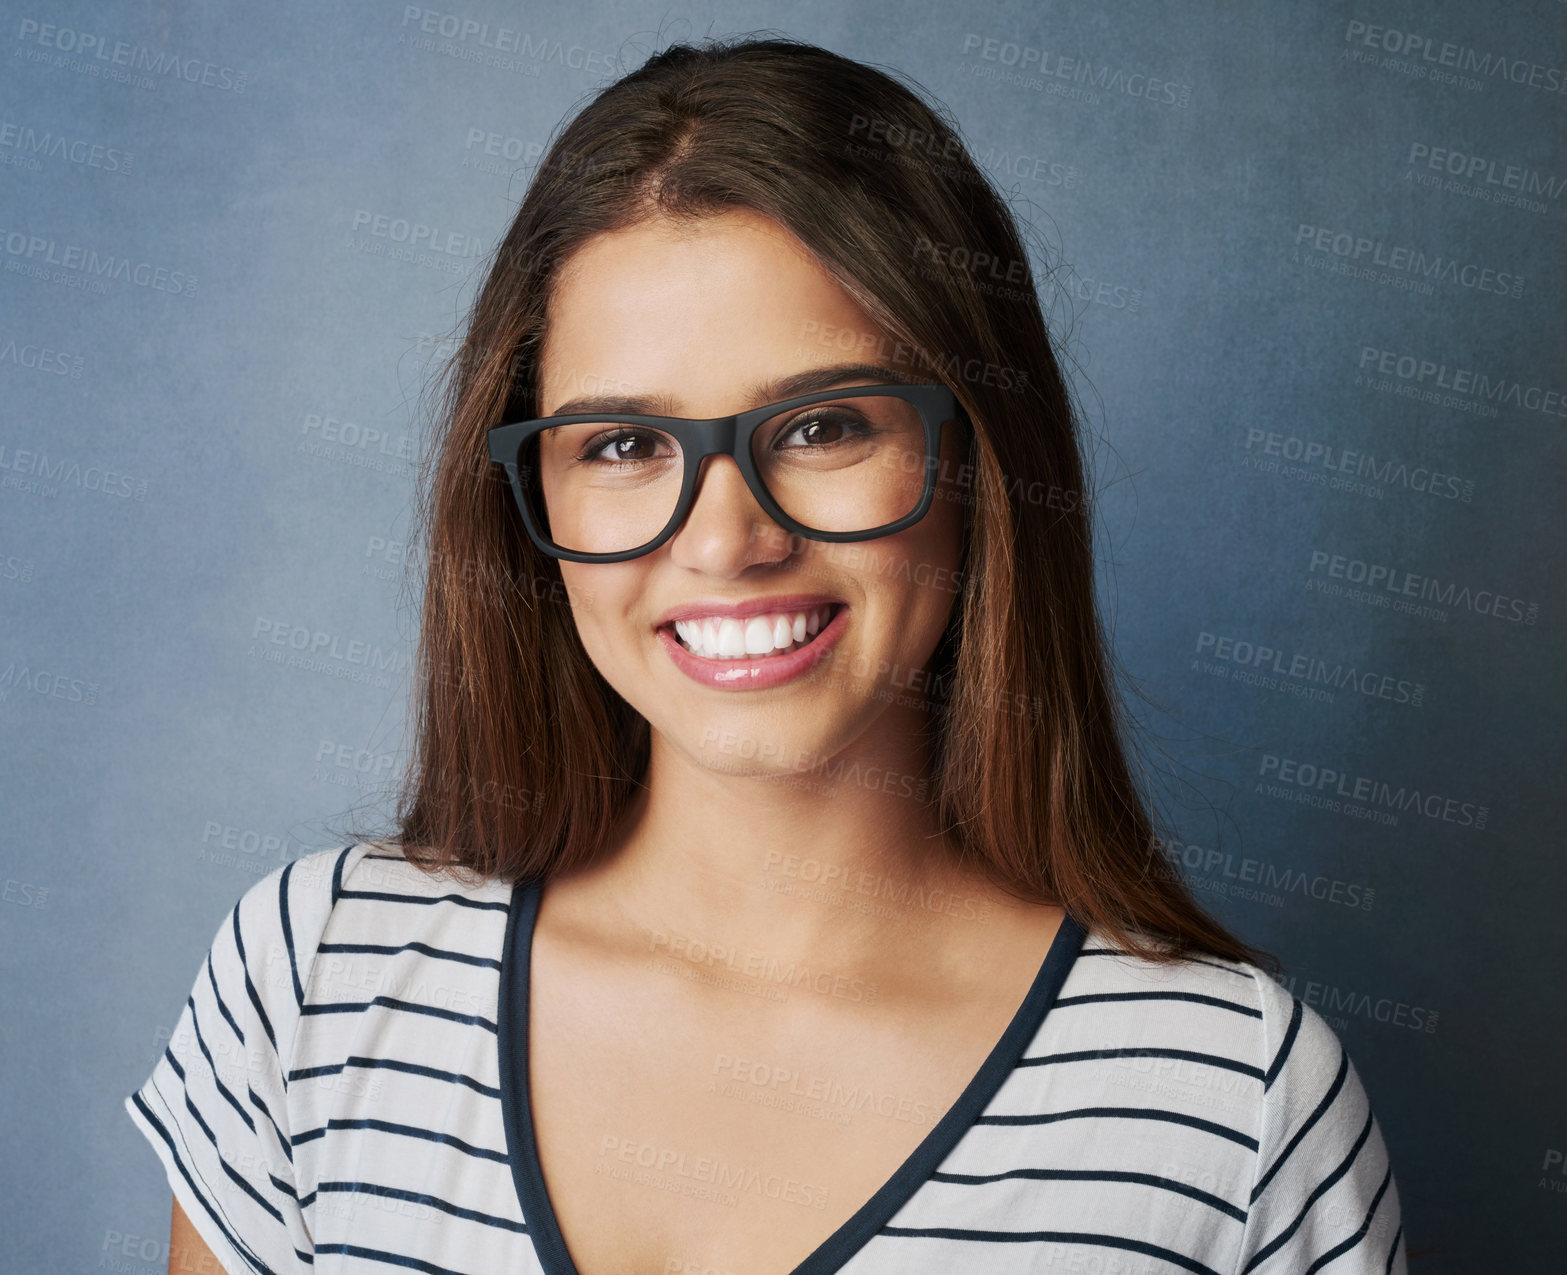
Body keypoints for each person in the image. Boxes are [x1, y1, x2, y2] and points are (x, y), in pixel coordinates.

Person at [125, 35, 1408, 1275]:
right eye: (623, 445)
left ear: (978, 456)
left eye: (823, 426)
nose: (727, 538)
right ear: (537, 501)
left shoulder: (1233, 1105)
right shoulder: (318, 978)